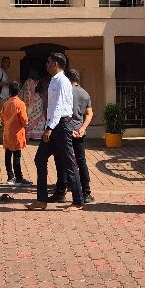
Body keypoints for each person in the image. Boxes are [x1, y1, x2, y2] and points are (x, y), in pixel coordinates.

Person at [25, 53, 83, 210]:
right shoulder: (54, 81)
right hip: (53, 126)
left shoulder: (63, 82)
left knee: (69, 163)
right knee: (40, 159)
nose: (46, 64)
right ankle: (41, 200)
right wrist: (49, 126)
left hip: (61, 127)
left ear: (55, 63)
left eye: (49, 62)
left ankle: (78, 201)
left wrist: (50, 127)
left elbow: (59, 106)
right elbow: (51, 107)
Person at [51, 69, 94, 204]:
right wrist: (82, 128)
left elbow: (60, 111)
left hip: (66, 130)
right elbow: (89, 113)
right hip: (79, 131)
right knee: (81, 161)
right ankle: (86, 192)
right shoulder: (85, 93)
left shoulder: (65, 92)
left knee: (63, 161)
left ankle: (61, 191)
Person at [1, 81, 31, 187]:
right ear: (19, 91)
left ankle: (10, 177)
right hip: (17, 132)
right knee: (17, 156)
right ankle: (18, 178)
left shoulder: (6, 103)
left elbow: (2, 118)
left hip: (7, 132)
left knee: (8, 154)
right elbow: (24, 120)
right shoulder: (20, 104)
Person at [21, 72, 45, 140]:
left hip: (27, 102)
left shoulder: (27, 82)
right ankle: (34, 135)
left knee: (30, 119)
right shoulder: (31, 82)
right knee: (38, 117)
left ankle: (29, 134)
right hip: (32, 103)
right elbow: (30, 94)